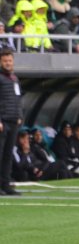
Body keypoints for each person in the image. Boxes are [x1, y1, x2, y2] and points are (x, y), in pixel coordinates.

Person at [0, 48, 23, 195]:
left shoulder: (14, 78)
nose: (8, 63)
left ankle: (6, 185)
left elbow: (18, 99)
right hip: (2, 121)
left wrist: (20, 115)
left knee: (8, 155)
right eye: (5, 61)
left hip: (14, 120)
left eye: (10, 60)